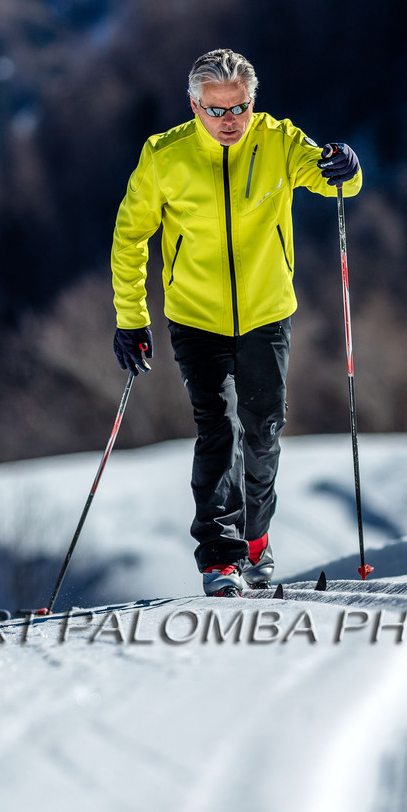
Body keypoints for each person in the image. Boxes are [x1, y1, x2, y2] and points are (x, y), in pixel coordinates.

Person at [110, 49, 362, 596]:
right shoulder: (164, 157)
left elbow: (333, 179)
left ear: (253, 101)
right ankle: (220, 558)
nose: (229, 122)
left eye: (239, 108)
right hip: (195, 317)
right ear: (194, 106)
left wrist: (346, 166)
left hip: (267, 313)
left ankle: (256, 540)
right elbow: (130, 237)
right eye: (214, 110)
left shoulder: (279, 141)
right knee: (217, 428)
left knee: (264, 431)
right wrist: (132, 319)